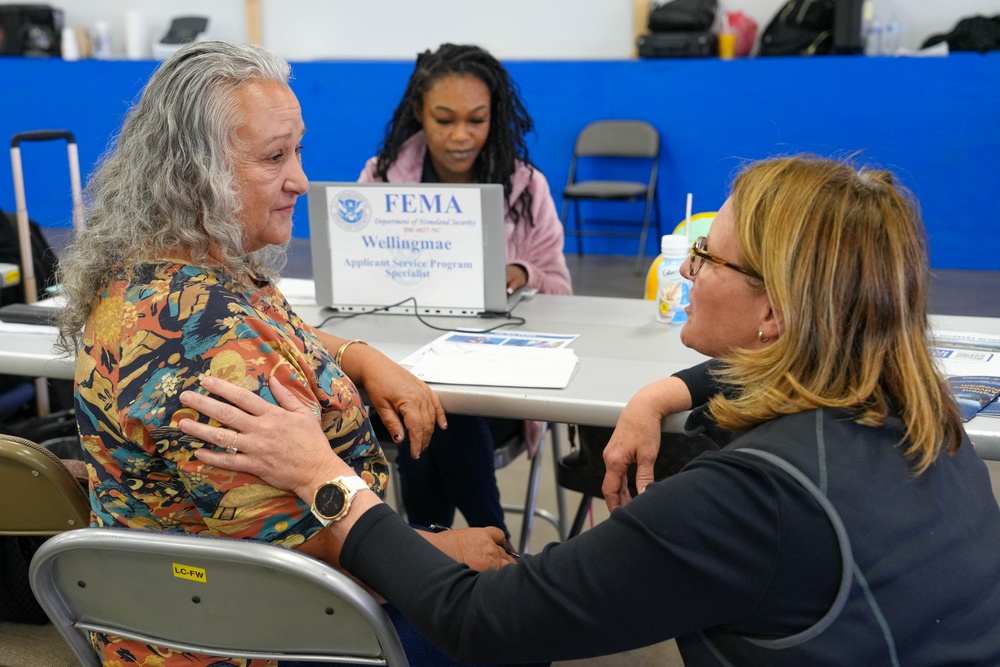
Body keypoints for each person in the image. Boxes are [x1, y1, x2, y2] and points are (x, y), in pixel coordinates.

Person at [179, 155, 1000, 665]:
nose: (694, 259)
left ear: (774, 315)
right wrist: (664, 390)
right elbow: (782, 367)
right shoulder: (919, 406)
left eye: (711, 252)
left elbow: (483, 622)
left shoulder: (747, 500)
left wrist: (328, 482)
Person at [54, 40, 512, 667]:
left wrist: (359, 355)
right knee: (513, 621)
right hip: (258, 634)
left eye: (297, 149)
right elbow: (304, 554)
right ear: (195, 175)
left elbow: (278, 333)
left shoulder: (162, 282)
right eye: (275, 157)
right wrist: (443, 551)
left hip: (166, 615)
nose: (300, 178)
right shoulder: (219, 355)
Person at [358, 43, 572, 538]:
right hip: (398, 373)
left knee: (439, 409)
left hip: (492, 388)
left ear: (494, 117)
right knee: (423, 405)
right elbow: (355, 274)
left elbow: (561, 291)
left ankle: (431, 550)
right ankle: (491, 548)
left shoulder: (525, 186)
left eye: (476, 120)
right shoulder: (381, 178)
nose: (460, 136)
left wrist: (518, 272)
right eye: (444, 119)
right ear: (419, 114)